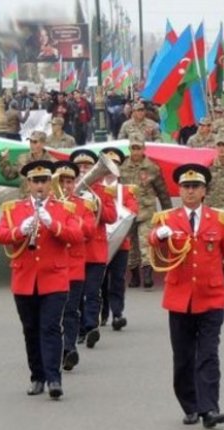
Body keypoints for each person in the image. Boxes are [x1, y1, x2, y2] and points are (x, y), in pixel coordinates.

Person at [148, 163, 224, 429]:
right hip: (180, 297)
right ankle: (190, 404)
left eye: (195, 187)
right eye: (185, 187)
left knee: (208, 354)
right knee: (183, 358)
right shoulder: (167, 219)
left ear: (204, 191)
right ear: (179, 190)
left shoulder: (219, 219)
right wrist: (158, 236)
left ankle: (210, 408)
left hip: (211, 296)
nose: (190, 191)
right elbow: (154, 245)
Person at [0, 160, 84, 399]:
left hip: (54, 278)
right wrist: (19, 231)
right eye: (36, 181)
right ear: (29, 183)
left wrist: (52, 223)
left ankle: (54, 378)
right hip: (24, 278)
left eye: (44, 181)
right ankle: (37, 376)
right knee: (30, 330)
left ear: (49, 182)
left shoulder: (63, 208)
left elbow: (76, 235)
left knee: (51, 327)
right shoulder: (14, 209)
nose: (40, 185)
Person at [51, 159, 94, 371]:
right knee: (53, 313)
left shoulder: (83, 205)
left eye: (70, 181)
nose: (66, 185)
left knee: (70, 309)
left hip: (74, 266)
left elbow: (89, 229)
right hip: (52, 266)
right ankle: (54, 349)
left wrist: (72, 221)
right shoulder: (47, 204)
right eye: (62, 181)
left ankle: (69, 348)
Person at [72, 150, 118, 349]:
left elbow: (112, 216)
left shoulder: (103, 191)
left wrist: (96, 206)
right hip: (75, 249)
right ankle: (80, 329)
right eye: (80, 167)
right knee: (76, 294)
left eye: (87, 166)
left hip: (96, 250)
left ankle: (91, 327)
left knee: (92, 292)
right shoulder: (67, 189)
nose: (83, 170)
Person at [120, 135, 172, 289]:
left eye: (138, 148)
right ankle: (134, 275)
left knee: (145, 243)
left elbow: (162, 191)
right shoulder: (122, 167)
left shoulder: (152, 168)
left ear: (144, 149)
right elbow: (117, 190)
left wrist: (167, 212)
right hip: (128, 212)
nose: (136, 152)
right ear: (129, 149)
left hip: (146, 210)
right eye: (133, 148)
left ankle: (147, 275)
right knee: (130, 246)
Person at [98, 148, 139, 330]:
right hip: (99, 243)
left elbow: (133, 210)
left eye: (114, 165)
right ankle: (103, 311)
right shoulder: (96, 189)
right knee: (99, 279)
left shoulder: (126, 191)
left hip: (120, 243)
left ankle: (117, 313)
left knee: (117, 279)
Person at [0, 131, 56, 197]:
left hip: (45, 201)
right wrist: (4, 161)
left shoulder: (52, 163)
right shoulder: (22, 159)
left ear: (43, 143)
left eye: (35, 142)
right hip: (26, 200)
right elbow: (9, 176)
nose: (32, 145)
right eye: (30, 141)